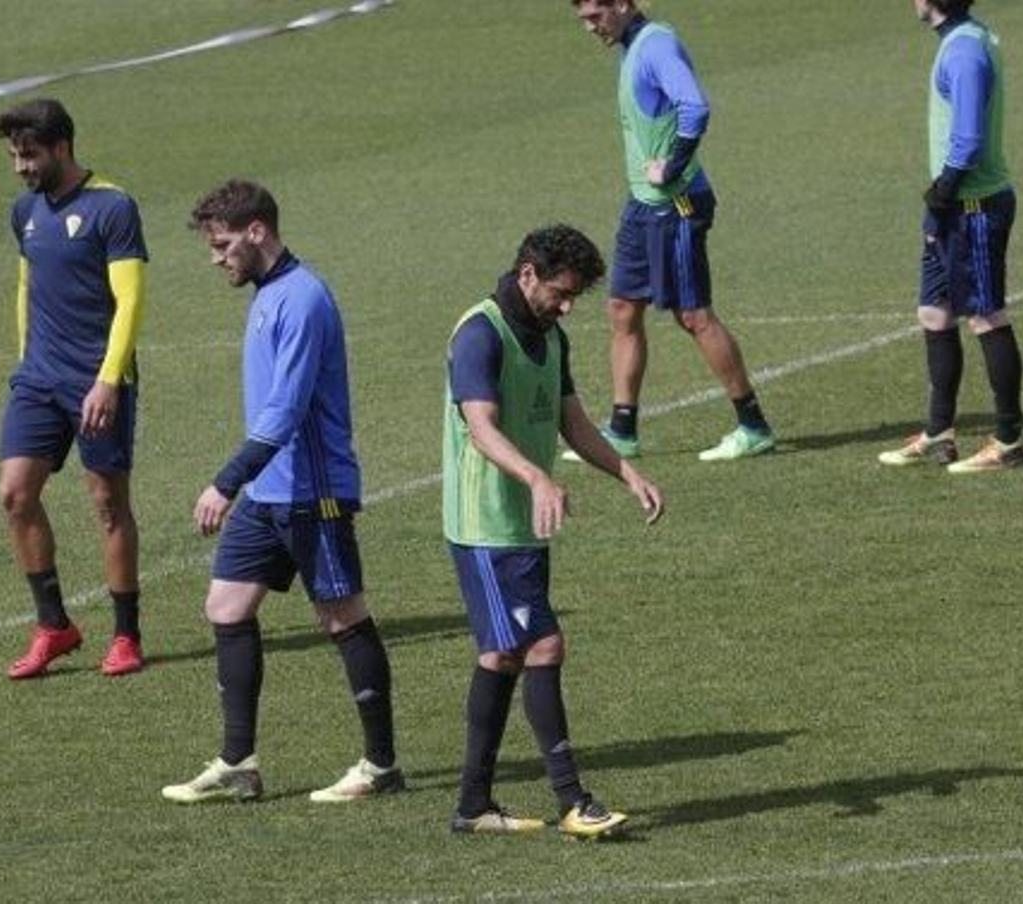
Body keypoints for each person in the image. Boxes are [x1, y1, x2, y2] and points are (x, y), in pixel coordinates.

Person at [162, 179, 402, 806]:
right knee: (226, 607)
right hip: (271, 493)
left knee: (343, 617)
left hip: (312, 493)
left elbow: (287, 410)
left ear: (257, 231)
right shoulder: (270, 294)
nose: (216, 258)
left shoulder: (303, 298)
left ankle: (381, 765)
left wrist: (226, 481)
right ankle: (238, 763)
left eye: (222, 245)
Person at [443, 224, 665, 837]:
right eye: (560, 293)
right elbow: (480, 428)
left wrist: (626, 472)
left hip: (525, 526)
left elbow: (573, 422)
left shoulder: (550, 336)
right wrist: (537, 478)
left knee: (502, 655)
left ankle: (473, 806)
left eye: (574, 297)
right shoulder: (480, 334)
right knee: (543, 645)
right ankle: (573, 801)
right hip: (486, 526)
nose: (566, 307)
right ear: (527, 275)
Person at [567, 0, 775, 462]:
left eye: (595, 16)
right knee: (622, 308)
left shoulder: (656, 45)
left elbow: (694, 108)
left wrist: (673, 165)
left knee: (694, 316)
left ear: (622, 4)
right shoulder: (632, 46)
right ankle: (622, 431)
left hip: (676, 205)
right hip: (643, 205)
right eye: (583, 20)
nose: (590, 28)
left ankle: (753, 425)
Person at [0, 98, 149, 679]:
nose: (21, 168)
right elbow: (27, 284)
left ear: (62, 148)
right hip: (38, 379)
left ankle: (126, 635)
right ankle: (54, 625)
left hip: (96, 380)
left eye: (29, 155)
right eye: (14, 157)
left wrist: (108, 380)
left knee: (108, 504)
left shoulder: (113, 206)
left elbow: (130, 299)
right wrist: (25, 360)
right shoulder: (25, 211)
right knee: (15, 494)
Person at [879, 0, 1023, 473]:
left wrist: (942, 193)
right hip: (952, 207)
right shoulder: (963, 39)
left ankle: (1008, 441)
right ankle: (939, 432)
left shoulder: (964, 51)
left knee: (985, 315)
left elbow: (967, 139)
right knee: (934, 312)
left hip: (973, 206)